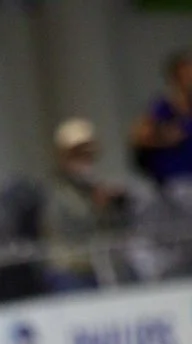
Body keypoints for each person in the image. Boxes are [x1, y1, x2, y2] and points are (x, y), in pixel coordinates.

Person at [43, 119, 129, 290]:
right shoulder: (54, 192)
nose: (85, 159)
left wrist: (116, 207)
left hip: (103, 267)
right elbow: (68, 229)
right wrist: (97, 208)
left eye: (88, 152)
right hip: (71, 270)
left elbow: (118, 229)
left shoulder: (97, 186)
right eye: (77, 153)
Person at [131, 49, 192, 185]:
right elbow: (139, 137)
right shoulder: (163, 106)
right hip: (175, 181)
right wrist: (167, 135)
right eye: (187, 73)